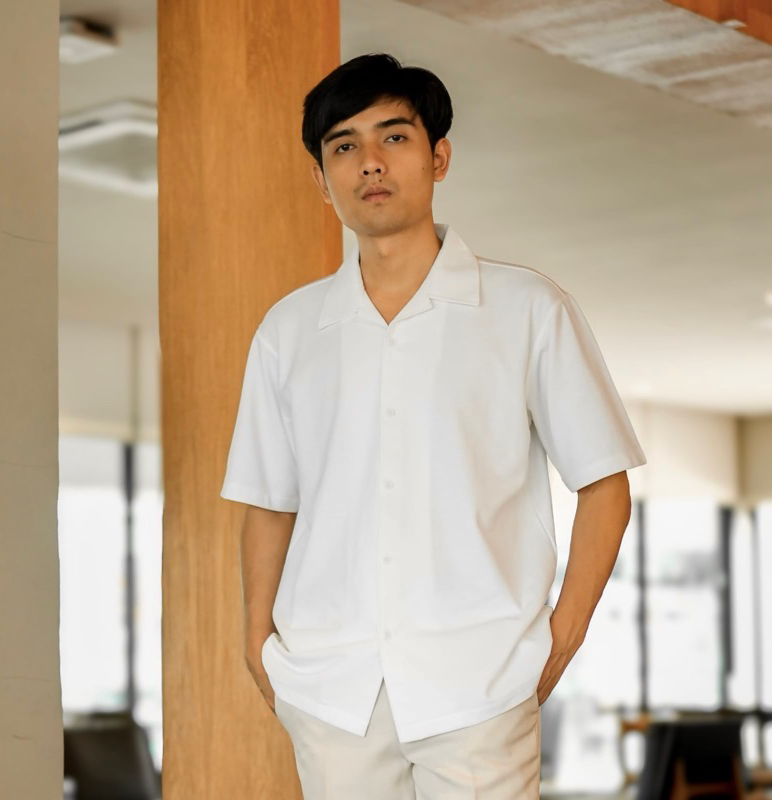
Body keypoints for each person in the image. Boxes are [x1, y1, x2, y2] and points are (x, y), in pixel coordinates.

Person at [220, 52, 647, 799]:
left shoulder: (527, 309)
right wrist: (260, 646)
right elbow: (269, 501)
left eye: (394, 137)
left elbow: (604, 484)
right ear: (321, 179)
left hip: (479, 687)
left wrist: (561, 637)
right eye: (344, 146)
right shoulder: (288, 331)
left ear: (438, 157)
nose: (370, 162)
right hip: (331, 691)